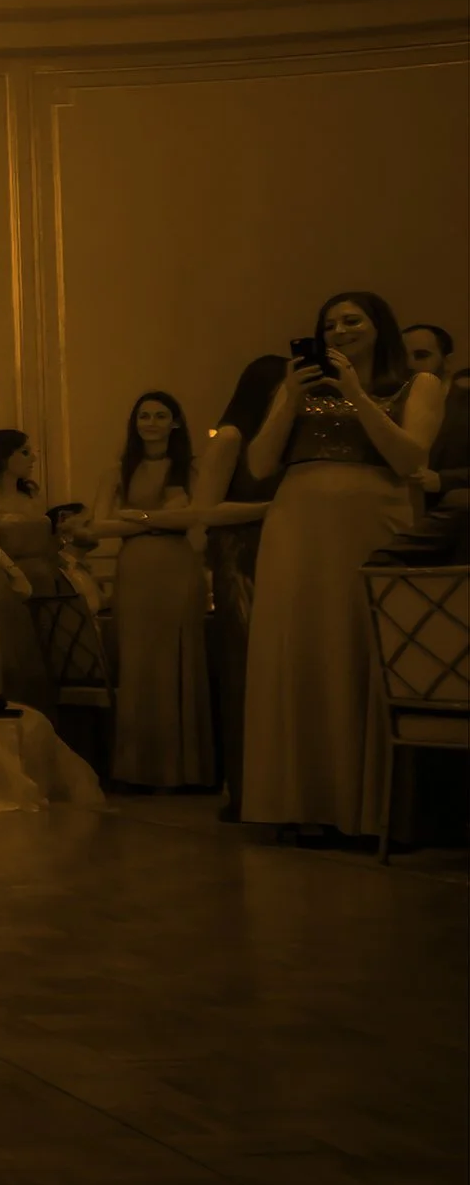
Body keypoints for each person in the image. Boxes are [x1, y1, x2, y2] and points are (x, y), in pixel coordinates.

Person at [242, 291, 445, 841]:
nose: (339, 330)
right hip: (295, 529)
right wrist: (288, 398)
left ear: (380, 325)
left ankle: (365, 810)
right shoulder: (296, 387)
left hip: (370, 525)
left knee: (357, 649)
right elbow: (260, 464)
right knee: (300, 651)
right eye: (329, 323)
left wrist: (356, 395)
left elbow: (409, 459)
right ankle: (299, 803)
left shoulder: (417, 385)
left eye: (352, 319)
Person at [83, 391, 213, 790]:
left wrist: (135, 516)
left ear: (175, 423)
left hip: (178, 568)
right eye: (144, 416)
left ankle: (186, 772)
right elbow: (98, 527)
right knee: (139, 664)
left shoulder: (191, 469)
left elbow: (196, 519)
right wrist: (158, 521)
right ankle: (137, 770)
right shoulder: (116, 471)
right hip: (136, 571)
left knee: (180, 660)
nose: (151, 423)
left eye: (160, 416)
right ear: (134, 423)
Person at [189, 356, 287, 821]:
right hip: (238, 560)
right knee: (244, 671)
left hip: (279, 556)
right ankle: (246, 791)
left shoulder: (285, 440)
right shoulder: (230, 437)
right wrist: (277, 509)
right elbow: (203, 513)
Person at [0, 429, 66, 713]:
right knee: (20, 657)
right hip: (12, 585)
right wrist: (15, 574)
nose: (33, 459)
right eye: (25, 452)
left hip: (45, 579)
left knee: (48, 655)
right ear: (4, 456)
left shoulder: (31, 495)